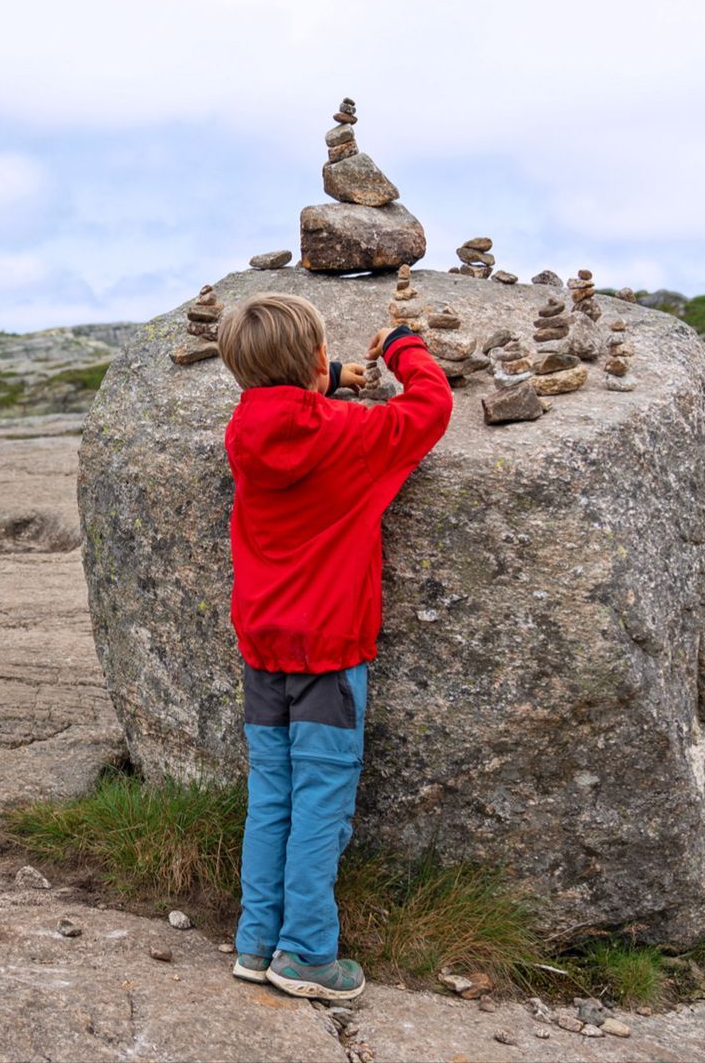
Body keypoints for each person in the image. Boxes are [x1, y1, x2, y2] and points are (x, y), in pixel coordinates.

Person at [217, 291, 453, 1000]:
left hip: (263, 648)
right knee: (321, 804)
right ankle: (308, 955)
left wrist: (332, 372)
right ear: (317, 361)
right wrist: (402, 344)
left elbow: (281, 399)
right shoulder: (352, 436)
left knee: (273, 799)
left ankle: (255, 942)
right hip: (328, 652)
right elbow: (430, 408)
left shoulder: (241, 428)